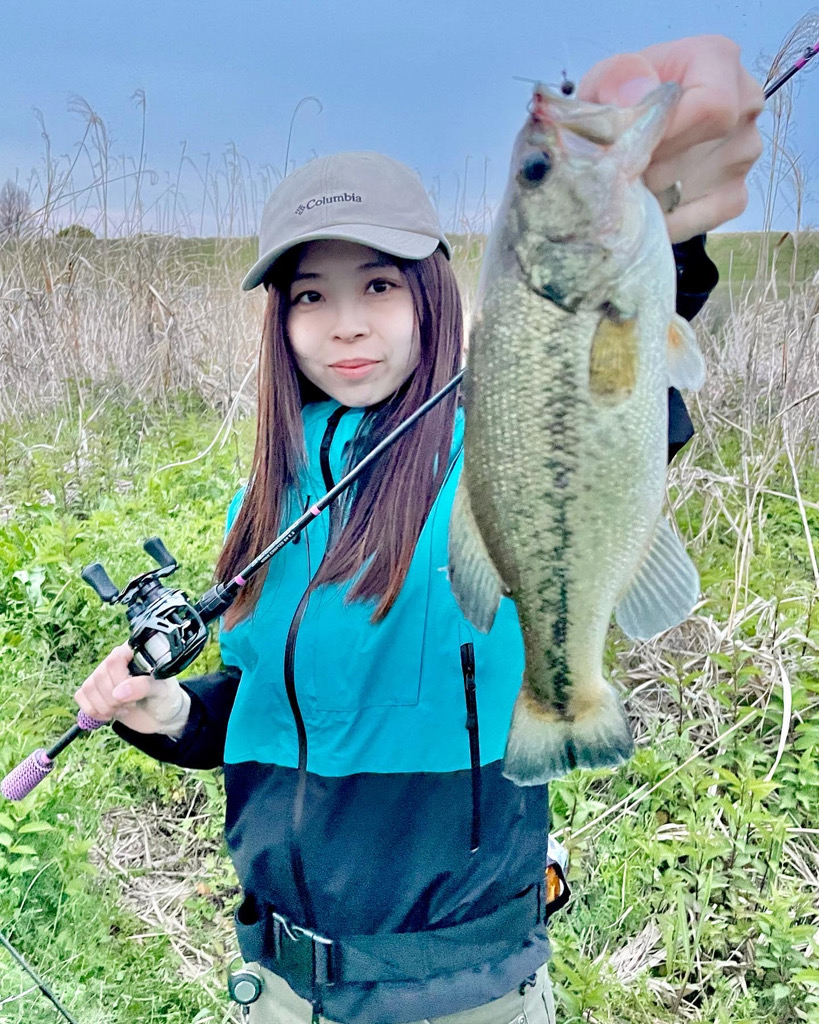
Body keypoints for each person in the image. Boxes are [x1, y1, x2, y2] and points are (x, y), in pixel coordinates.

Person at [75, 35, 764, 1024]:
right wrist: (172, 714)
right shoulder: (262, 504)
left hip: (464, 994)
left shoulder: (495, 443)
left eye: (379, 285)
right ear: (280, 322)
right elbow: (269, 710)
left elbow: (608, 386)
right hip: (280, 987)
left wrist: (667, 228)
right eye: (310, 295)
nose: (345, 323)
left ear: (433, 293)